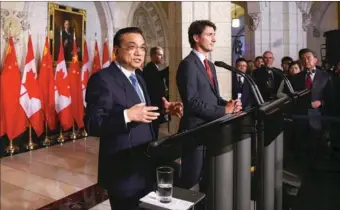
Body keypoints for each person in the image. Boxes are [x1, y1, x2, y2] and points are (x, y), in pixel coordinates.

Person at [84, 27, 183, 210]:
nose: (139, 53)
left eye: (142, 47)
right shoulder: (102, 79)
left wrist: (164, 110)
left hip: (145, 165)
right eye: (132, 47)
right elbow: (93, 124)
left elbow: (141, 113)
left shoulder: (139, 77)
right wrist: (126, 115)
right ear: (116, 51)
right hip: (123, 170)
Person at [176, 20, 242, 190]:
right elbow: (192, 102)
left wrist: (228, 104)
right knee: (191, 182)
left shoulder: (210, 65)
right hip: (195, 132)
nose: (214, 39)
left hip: (211, 129)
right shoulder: (188, 65)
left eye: (214, 35)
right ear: (196, 37)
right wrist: (223, 110)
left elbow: (213, 97)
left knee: (208, 181)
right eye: (209, 35)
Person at [142, 46, 167, 138]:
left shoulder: (155, 68)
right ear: (152, 56)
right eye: (160, 55)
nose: (162, 57)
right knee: (153, 128)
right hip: (153, 103)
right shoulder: (149, 68)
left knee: (155, 128)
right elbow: (156, 79)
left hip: (157, 103)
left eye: (162, 55)